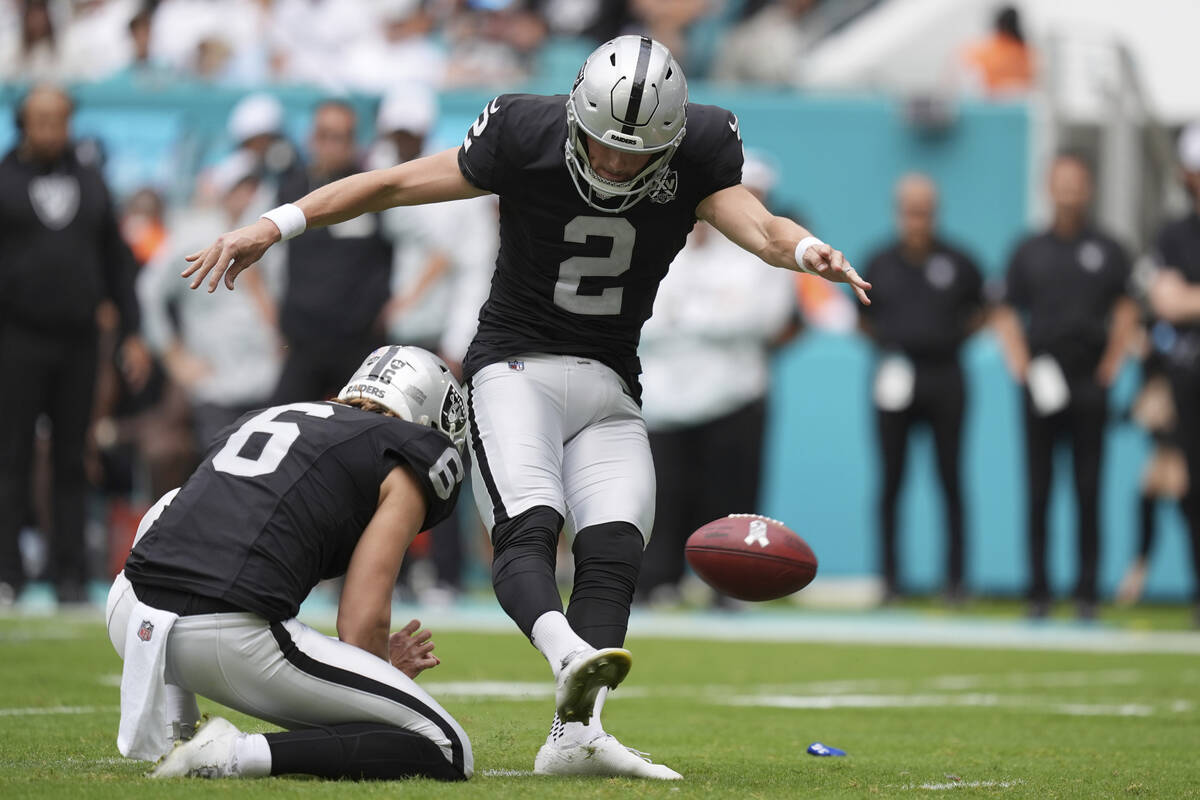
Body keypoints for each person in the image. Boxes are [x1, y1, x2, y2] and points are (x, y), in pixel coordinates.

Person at [181, 34, 870, 779]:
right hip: (514, 365)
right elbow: (391, 184)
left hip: (611, 377)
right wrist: (274, 224)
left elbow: (763, 229)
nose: (612, 164)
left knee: (614, 549)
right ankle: (566, 652)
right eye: (602, 144)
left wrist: (807, 251)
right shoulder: (523, 131)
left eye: (634, 154)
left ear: (670, 144)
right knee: (530, 527)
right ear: (576, 116)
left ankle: (575, 736)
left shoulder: (703, 146)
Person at [105, 345, 473, 781]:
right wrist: (381, 675)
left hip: (130, 612)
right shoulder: (406, 451)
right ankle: (235, 754)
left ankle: (177, 719)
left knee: (176, 508)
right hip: (224, 630)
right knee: (446, 746)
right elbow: (361, 622)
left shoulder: (271, 416)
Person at [0, 84, 150, 605]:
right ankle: (8, 573)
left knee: (72, 455)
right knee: (11, 453)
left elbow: (116, 260)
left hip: (78, 340)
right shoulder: (4, 178)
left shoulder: (91, 181)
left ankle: (68, 575)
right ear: (23, 122)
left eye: (58, 119)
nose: (50, 129)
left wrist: (132, 331)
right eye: (40, 119)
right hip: (15, 337)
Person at [636, 152, 798, 604]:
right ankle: (658, 582)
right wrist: (709, 318)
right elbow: (645, 319)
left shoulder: (761, 253)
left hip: (734, 396)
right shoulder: (670, 247)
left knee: (729, 499)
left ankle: (728, 586)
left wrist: (688, 320)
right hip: (668, 400)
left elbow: (763, 319)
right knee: (664, 497)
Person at [993, 153, 1137, 620]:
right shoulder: (1028, 250)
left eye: (1078, 182)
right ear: (1049, 187)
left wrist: (1112, 364)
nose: (1070, 190)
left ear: (1089, 188)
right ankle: (1038, 592)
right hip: (1042, 379)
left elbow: (1127, 308)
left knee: (1088, 489)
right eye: (1062, 182)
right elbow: (1006, 310)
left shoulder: (1110, 249)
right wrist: (1020, 364)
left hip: (1089, 378)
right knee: (1039, 489)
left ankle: (1087, 593)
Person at [860, 174, 985, 604]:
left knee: (950, 478)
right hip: (894, 374)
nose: (918, 220)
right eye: (911, 211)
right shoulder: (879, 262)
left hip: (945, 376)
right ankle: (890, 580)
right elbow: (862, 318)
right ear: (899, 212)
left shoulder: (960, 262)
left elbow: (981, 312)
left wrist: (944, 340)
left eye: (925, 212)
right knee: (891, 480)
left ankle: (955, 580)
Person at [138, 151, 283, 448]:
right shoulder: (195, 234)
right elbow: (148, 289)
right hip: (216, 385)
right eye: (242, 188)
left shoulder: (275, 238)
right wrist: (173, 356)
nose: (250, 196)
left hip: (269, 380)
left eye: (254, 187)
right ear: (226, 192)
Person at [270, 100, 394, 404]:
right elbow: (264, 260)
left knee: (365, 431)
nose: (331, 146)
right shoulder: (291, 189)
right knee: (281, 424)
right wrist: (272, 318)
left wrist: (400, 304)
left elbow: (414, 247)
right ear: (312, 137)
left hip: (359, 341)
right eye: (325, 135)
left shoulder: (371, 187)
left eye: (342, 137)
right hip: (303, 340)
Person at [1147, 121, 1200, 624]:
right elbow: (1166, 301)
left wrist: (1191, 299)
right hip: (1190, 376)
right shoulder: (1174, 233)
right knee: (1193, 484)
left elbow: (1183, 300)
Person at [960, 4, 1035, 97]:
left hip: (993, 102)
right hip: (1017, 103)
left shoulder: (985, 50)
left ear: (998, 24)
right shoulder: (1026, 51)